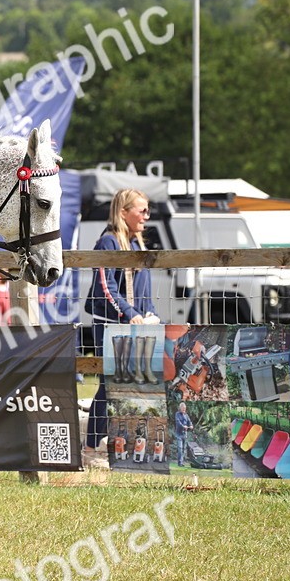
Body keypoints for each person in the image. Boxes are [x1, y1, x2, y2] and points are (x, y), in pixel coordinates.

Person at [83, 189, 161, 449]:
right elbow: (105, 287)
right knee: (108, 383)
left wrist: (148, 311)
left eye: (147, 210)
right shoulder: (109, 242)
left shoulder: (138, 243)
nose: (146, 216)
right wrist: (131, 314)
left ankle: (124, 442)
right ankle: (93, 444)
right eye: (142, 210)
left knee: (133, 383)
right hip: (108, 324)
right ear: (123, 212)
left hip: (134, 324)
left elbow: (144, 287)